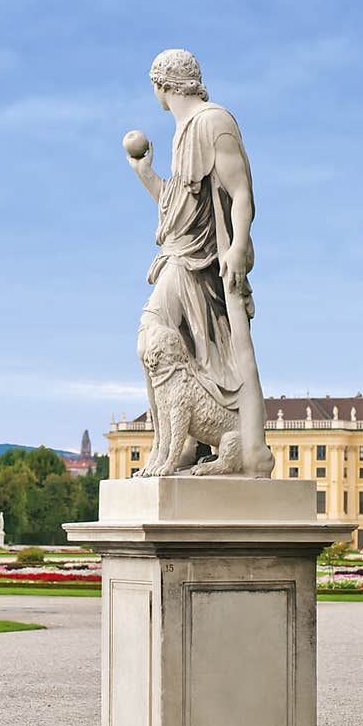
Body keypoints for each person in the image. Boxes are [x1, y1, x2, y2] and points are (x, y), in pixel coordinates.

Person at [127, 48, 273, 478]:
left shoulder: (213, 122)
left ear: (160, 85)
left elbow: (241, 192)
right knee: (163, 349)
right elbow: (182, 208)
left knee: (155, 339)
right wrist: (146, 175)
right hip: (181, 253)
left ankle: (209, 446)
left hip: (206, 261)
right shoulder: (182, 131)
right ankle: (176, 446)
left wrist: (237, 247)